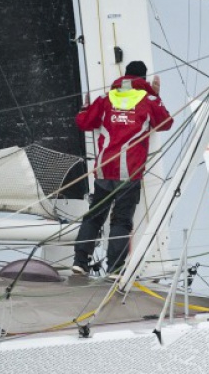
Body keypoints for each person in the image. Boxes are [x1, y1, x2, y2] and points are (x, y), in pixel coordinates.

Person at [72, 61, 173, 277]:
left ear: (124, 76)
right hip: (129, 171)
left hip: (104, 168)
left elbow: (83, 122)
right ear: (144, 80)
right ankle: (115, 268)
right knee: (121, 220)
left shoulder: (106, 99)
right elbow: (166, 123)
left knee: (94, 216)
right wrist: (156, 95)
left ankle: (80, 261)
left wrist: (84, 107)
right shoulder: (148, 100)